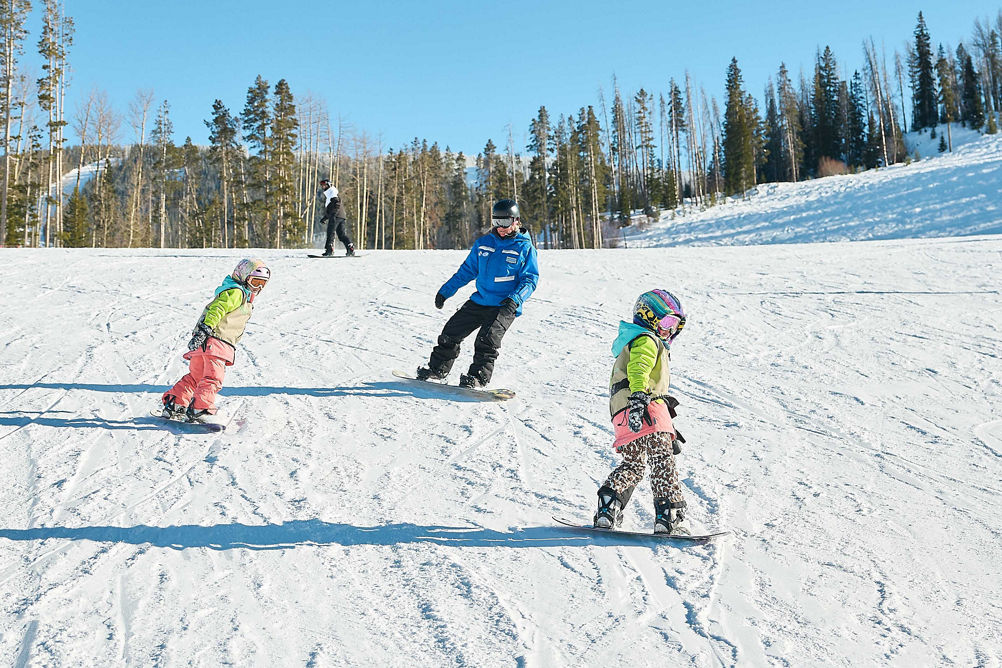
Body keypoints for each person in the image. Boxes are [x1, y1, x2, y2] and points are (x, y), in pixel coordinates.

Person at [416, 198, 539, 388]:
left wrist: (515, 299)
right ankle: (437, 369)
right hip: (480, 301)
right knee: (450, 332)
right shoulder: (483, 244)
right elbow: (466, 271)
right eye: (496, 221)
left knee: (486, 340)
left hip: (504, 305)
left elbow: (530, 279)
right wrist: (446, 291)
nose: (500, 227)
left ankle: (477, 377)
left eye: (505, 222)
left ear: (516, 221)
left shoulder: (524, 248)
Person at [594, 289, 689, 534]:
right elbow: (639, 369)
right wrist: (639, 396)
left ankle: (609, 506)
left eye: (675, 326)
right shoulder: (647, 339)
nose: (669, 330)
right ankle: (670, 515)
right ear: (648, 316)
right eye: (666, 322)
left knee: (633, 464)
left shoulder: (632, 341)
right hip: (645, 407)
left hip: (623, 413)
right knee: (662, 462)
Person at [161, 258, 271, 422]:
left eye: (262, 284)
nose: (258, 288)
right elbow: (217, 309)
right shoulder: (236, 293)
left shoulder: (240, 295)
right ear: (243, 276)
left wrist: (202, 333)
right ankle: (201, 408)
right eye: (255, 282)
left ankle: (175, 403)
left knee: (196, 377)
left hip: (207, 342)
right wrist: (206, 327)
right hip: (217, 341)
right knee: (213, 377)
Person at [319, 178, 355, 256]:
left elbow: (336, 203)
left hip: (336, 216)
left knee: (330, 232)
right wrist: (325, 218)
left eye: (324, 185)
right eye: (322, 185)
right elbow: (331, 208)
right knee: (341, 235)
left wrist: (334, 215)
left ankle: (329, 250)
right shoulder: (331, 193)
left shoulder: (332, 191)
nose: (323, 187)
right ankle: (350, 248)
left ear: (328, 185)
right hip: (341, 216)